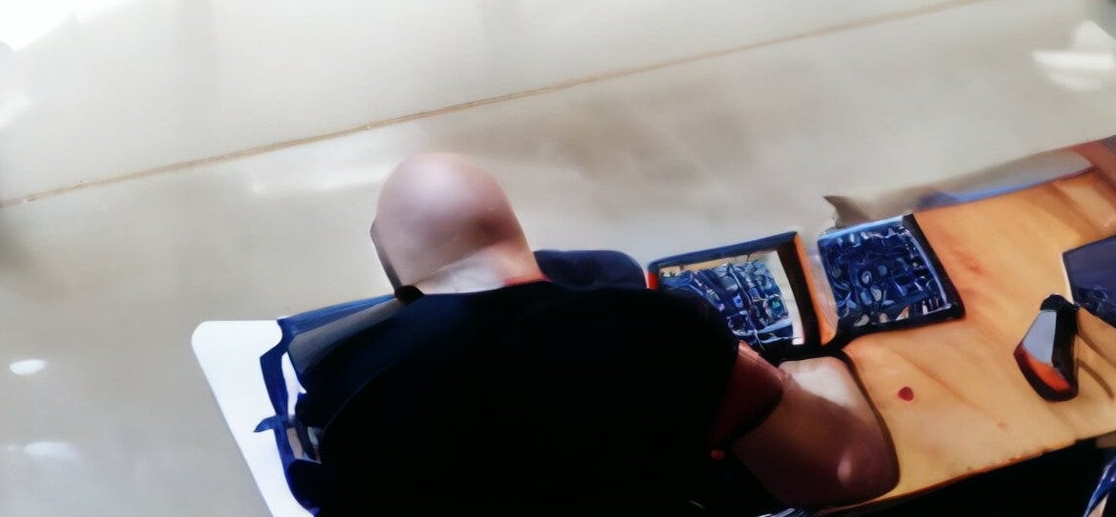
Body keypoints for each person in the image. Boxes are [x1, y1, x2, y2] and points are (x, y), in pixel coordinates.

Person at [295, 152, 899, 516]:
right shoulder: (661, 335)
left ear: (393, 266)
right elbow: (848, 472)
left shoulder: (344, 374)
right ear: (514, 232)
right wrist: (813, 370)